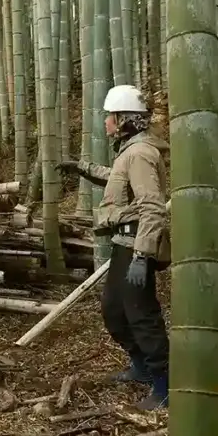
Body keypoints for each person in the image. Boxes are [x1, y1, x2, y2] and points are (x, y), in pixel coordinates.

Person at [58, 84, 171, 410]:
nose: (106, 122)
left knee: (141, 315)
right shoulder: (131, 151)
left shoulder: (139, 154)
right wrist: (82, 167)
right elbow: (117, 178)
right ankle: (141, 368)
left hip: (136, 245)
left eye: (111, 116)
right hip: (125, 243)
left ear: (126, 120)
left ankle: (165, 386)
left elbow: (152, 206)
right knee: (114, 310)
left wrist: (142, 255)